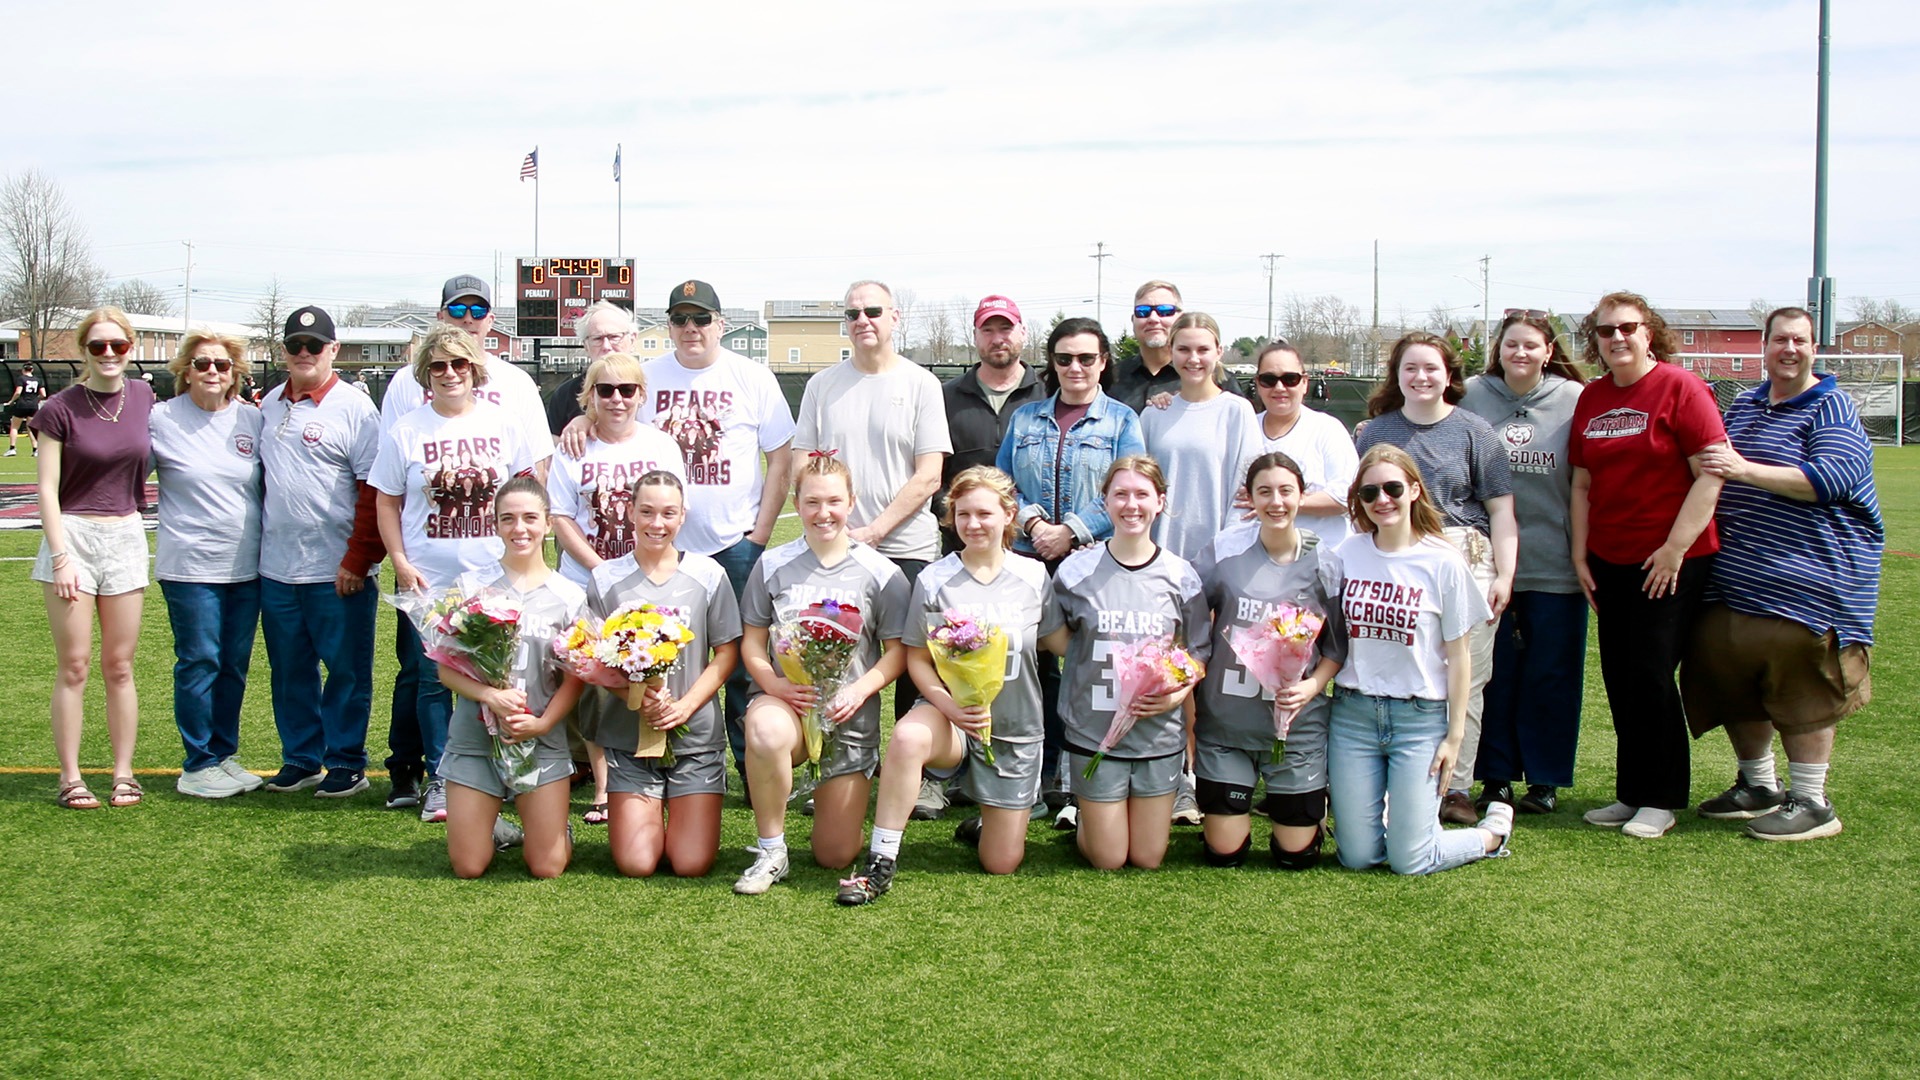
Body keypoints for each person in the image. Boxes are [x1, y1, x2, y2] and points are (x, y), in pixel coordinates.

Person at [1683, 307, 1881, 841]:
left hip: (1812, 580)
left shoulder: (1832, 408)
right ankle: (1758, 784)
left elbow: (1829, 480)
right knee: (1729, 665)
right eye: (1779, 340)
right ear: (1764, 346)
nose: (1789, 349)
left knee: (1799, 677)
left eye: (1800, 341)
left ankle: (1813, 800)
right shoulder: (1745, 403)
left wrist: (1744, 470)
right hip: (1737, 577)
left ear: (1815, 348)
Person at [837, 467, 1062, 904]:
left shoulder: (1034, 577)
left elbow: (1059, 640)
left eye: (984, 513)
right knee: (907, 736)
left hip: (1014, 727)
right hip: (951, 719)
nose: (973, 524)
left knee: (1001, 862)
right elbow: (917, 657)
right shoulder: (935, 578)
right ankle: (881, 860)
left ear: (1008, 514)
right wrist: (948, 704)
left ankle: (985, 823)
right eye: (962, 515)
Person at [381, 275, 556, 807]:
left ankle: (505, 775)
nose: (450, 374)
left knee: (504, 670)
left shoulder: (503, 421)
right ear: (425, 374)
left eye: (460, 365)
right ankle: (444, 777)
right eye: (438, 366)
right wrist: (400, 561)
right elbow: (386, 501)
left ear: (475, 371)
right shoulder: (407, 428)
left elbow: (529, 490)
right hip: (429, 574)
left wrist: (529, 555)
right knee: (437, 678)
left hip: (493, 573)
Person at [1570, 291, 1726, 840]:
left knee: (1652, 674)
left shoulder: (1681, 388)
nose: (1617, 338)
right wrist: (1579, 553)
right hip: (1609, 557)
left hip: (1671, 560)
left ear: (1648, 332)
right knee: (1620, 676)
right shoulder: (1591, 397)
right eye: (1606, 331)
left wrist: (1675, 548)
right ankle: (1632, 791)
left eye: (1628, 328)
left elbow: (1710, 473)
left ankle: (1661, 798)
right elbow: (1583, 482)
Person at [637, 280, 794, 801]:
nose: (690, 329)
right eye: (680, 319)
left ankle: (752, 770)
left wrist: (761, 531)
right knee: (657, 657)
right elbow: (608, 419)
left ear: (720, 325)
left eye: (700, 319)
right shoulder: (647, 377)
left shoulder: (751, 376)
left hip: (734, 543)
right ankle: (666, 762)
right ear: (668, 327)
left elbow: (781, 458)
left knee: (745, 663)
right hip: (667, 545)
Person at [1324, 445, 1513, 873]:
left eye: (1392, 488)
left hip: (1419, 717)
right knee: (1357, 857)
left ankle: (1491, 833)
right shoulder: (1346, 555)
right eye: (1369, 493)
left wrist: (1454, 735)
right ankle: (1413, 827)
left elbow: (1460, 657)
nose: (1381, 500)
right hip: (1353, 715)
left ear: (1413, 490)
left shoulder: (1442, 560)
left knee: (1409, 861)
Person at [1355, 331, 1516, 824]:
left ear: (1449, 375)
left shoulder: (1475, 432)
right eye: (1410, 368)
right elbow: (1360, 508)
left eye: (1431, 368)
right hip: (1395, 561)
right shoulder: (1371, 434)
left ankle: (1455, 787)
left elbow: (1502, 512)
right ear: (1396, 376)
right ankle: (1395, 778)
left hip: (1465, 558)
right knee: (1406, 671)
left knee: (1465, 675)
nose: (1421, 377)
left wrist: (1505, 574)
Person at [733, 453, 910, 895]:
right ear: (797, 502)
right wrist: (774, 684)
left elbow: (897, 653)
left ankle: (822, 791)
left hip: (848, 717)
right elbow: (752, 643)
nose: (823, 513)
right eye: (812, 502)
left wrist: (861, 689)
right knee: (766, 730)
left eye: (833, 501)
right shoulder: (772, 565)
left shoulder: (881, 573)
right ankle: (771, 850)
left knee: (834, 854)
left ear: (852, 502)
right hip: (788, 707)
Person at [996, 316, 1146, 829]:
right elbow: (1002, 483)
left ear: (1104, 361)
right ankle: (1027, 778)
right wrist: (1034, 521)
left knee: (1087, 672)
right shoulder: (1025, 418)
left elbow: (1129, 490)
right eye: (1064, 358)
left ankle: (1075, 785)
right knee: (1029, 674)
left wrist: (1075, 530)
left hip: (1093, 566)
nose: (1075, 367)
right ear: (1051, 363)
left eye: (1086, 357)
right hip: (1026, 561)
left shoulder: (1122, 420)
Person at [791, 279, 949, 724]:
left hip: (906, 549)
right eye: (853, 313)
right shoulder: (822, 385)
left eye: (873, 311)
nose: (863, 320)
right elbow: (802, 466)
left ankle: (909, 767)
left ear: (894, 318)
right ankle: (842, 761)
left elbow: (929, 475)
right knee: (833, 654)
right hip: (835, 550)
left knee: (913, 662)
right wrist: (838, 530)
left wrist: (873, 532)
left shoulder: (921, 384)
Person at [1041, 455, 1208, 871]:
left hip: (1157, 734)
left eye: (1141, 494)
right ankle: (1085, 817)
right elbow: (1059, 642)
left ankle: (1110, 813)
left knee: (1148, 858)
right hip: (1094, 730)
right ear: (1105, 502)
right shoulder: (1075, 571)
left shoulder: (1181, 575)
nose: (1131, 505)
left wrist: (1178, 694)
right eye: (1120, 494)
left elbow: (1197, 651)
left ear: (1160, 502)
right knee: (1109, 859)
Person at [914, 292, 1046, 822]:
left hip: (1028, 550)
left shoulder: (1047, 392)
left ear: (1021, 334)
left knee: (1027, 664)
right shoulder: (947, 396)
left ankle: (1031, 773)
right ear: (977, 336)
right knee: (946, 659)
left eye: (1007, 329)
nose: (999, 338)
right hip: (959, 552)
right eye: (989, 329)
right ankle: (938, 775)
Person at [254, 307, 386, 798]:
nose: (305, 354)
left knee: (347, 671)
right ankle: (301, 758)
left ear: (334, 349)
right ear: (283, 352)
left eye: (315, 345)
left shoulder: (355, 407)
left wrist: (358, 558)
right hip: (277, 567)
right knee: (290, 670)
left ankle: (346, 760)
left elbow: (373, 490)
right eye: (295, 346)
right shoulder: (268, 404)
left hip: (336, 568)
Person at [1458, 311, 1587, 814]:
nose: (1520, 354)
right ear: (1499, 348)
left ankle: (1546, 779)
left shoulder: (1574, 400)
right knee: (1493, 675)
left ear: (1548, 352)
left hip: (1555, 563)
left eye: (1531, 346)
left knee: (1551, 675)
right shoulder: (1473, 394)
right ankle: (1495, 776)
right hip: (1485, 566)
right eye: (1511, 345)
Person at [548, 352, 683, 823]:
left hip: (648, 578)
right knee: (591, 682)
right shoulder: (573, 448)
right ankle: (605, 784)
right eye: (605, 390)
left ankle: (654, 767)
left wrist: (636, 570)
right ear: (589, 396)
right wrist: (602, 568)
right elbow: (561, 517)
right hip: (584, 580)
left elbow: (672, 512)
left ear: (642, 395)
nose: (617, 399)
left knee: (648, 672)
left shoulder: (662, 445)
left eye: (627, 390)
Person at [586, 470, 742, 877]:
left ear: (683, 514)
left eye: (668, 513)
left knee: (691, 863)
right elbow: (595, 660)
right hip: (628, 739)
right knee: (637, 863)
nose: (657, 523)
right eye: (647, 512)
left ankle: (684, 807)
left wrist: (685, 706)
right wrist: (635, 697)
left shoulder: (709, 575)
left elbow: (726, 652)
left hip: (696, 738)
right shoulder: (605, 579)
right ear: (631, 513)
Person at [1193, 452, 1343, 869]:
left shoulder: (1325, 561)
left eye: (1285, 491)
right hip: (1228, 723)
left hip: (1296, 726)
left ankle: (1309, 810)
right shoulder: (1224, 551)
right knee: (1225, 853)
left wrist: (1312, 686)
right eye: (1264, 492)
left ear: (1301, 495)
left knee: (1295, 856)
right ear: (1250, 497)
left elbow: (1334, 648)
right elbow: (1187, 617)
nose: (1276, 501)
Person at [33, 307, 155, 810]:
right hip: (74, 536)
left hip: (126, 533)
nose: (109, 354)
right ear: (83, 351)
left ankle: (123, 773)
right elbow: (45, 487)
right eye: (98, 346)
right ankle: (71, 776)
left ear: (131, 348)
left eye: (118, 345)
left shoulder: (145, 396)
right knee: (75, 666)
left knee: (120, 666)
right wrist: (61, 556)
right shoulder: (59, 408)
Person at [436, 476, 586, 878]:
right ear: (495, 523)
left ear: (548, 523)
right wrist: (489, 695)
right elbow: (445, 669)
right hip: (475, 738)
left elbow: (576, 677)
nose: (520, 529)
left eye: (530, 518)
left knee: (547, 867)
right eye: (508, 519)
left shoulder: (570, 594)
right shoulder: (470, 586)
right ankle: (495, 828)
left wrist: (543, 723)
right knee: (469, 866)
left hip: (541, 739)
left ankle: (554, 829)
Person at [150, 330, 266, 798]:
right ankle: (197, 763)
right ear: (185, 370)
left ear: (236, 372)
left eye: (221, 365)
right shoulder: (160, 418)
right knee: (200, 661)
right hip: (190, 565)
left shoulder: (251, 419)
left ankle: (223, 754)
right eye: (202, 364)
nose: (212, 372)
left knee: (234, 665)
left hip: (247, 565)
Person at [1139, 312, 1263, 562]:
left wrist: (1227, 556)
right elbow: (1138, 487)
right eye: (1183, 349)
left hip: (1219, 560)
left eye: (1203, 349)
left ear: (1219, 352)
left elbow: (1245, 493)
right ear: (1171, 351)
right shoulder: (1153, 414)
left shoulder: (1236, 411)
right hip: (1160, 559)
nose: (1193, 358)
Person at [1249, 341, 1357, 547]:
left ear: (1305, 383)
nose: (1279, 387)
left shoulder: (1327, 429)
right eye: (1268, 380)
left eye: (1290, 379)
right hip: (1258, 559)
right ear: (1258, 383)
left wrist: (1279, 503)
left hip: (1322, 559)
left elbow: (1345, 497)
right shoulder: (1246, 428)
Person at [1109, 280, 1243, 413]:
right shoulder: (1110, 377)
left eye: (1165, 311)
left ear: (1181, 318)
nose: (1153, 319)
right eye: (1143, 311)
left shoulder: (1218, 380)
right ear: (1133, 320)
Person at [547, 299, 636, 435]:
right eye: (597, 339)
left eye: (614, 337)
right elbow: (551, 442)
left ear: (632, 339)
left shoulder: (653, 384)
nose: (606, 346)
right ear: (586, 345)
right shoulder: (565, 394)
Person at [7, 362, 46, 455]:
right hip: (33, 406)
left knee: (14, 426)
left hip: (22, 404)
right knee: (31, 427)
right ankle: (35, 449)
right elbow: (43, 394)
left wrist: (11, 401)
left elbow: (18, 392)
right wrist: (35, 399)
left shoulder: (21, 378)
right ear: (32, 370)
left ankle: (12, 448)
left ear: (23, 370)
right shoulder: (38, 380)